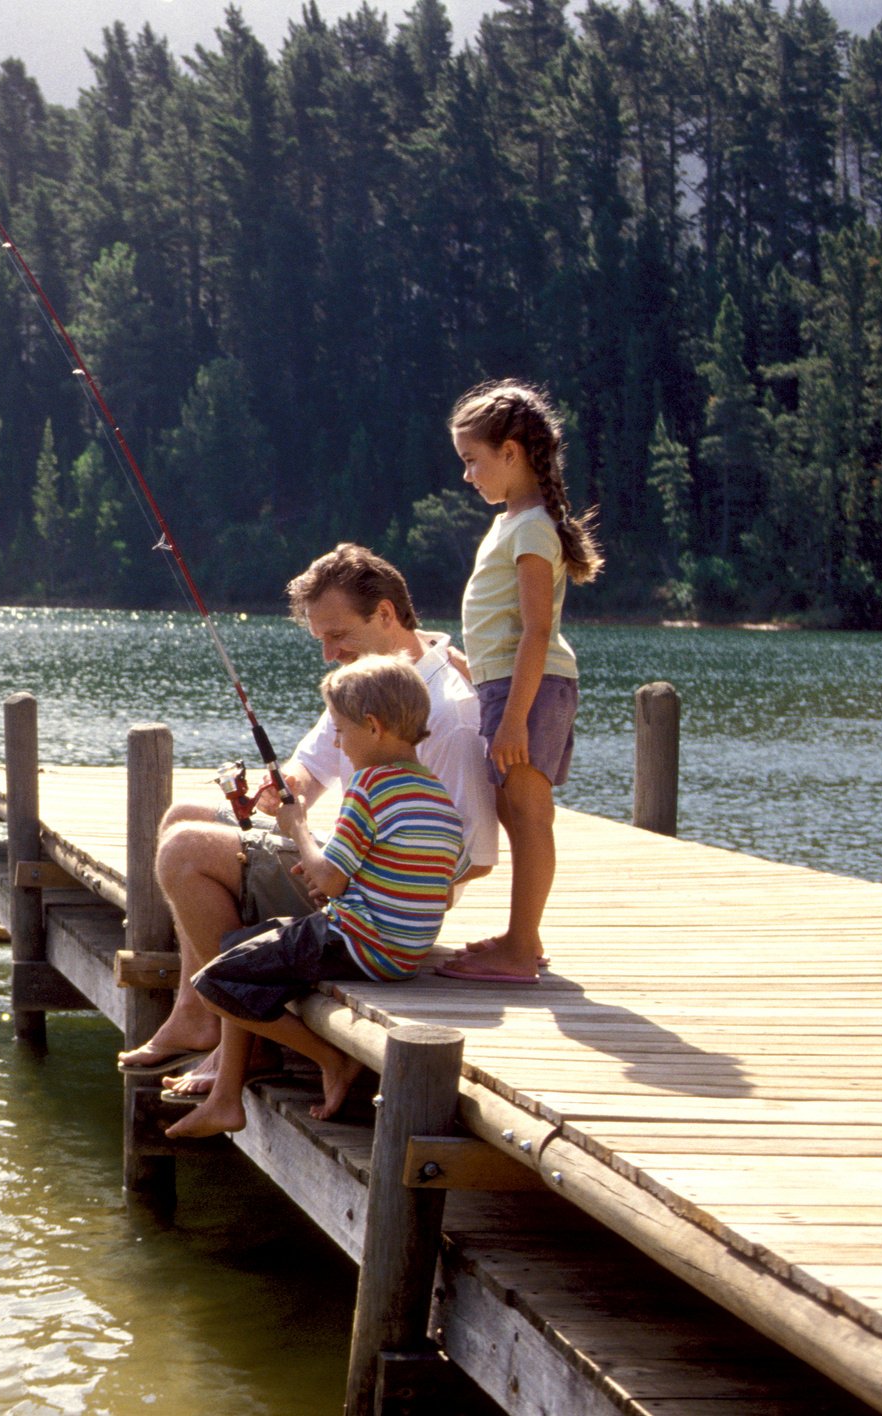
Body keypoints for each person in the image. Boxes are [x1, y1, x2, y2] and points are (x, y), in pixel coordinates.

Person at [115, 544, 496, 1086]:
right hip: (349, 859)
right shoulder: (370, 683)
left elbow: (471, 857)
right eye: (321, 639)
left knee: (186, 851)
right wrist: (282, 790)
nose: (328, 653)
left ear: (385, 614)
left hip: (373, 899)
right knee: (185, 812)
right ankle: (196, 1016)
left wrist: (344, 876)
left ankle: (238, 1042)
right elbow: (309, 770)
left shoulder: (449, 714)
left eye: (337, 635)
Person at [165, 657, 468, 1139]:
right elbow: (438, 879)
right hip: (403, 954)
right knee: (243, 944)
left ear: (374, 727)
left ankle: (329, 1059)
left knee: (214, 981)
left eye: (342, 734)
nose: (339, 745)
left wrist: (297, 825)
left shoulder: (370, 786)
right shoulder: (435, 793)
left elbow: (329, 882)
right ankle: (232, 1090)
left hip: (356, 942)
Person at [434, 380, 603, 984]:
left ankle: (521, 948)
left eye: (473, 460)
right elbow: (505, 635)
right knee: (514, 808)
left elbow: (535, 632)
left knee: (528, 813)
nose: (467, 475)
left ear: (511, 452)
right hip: (509, 686)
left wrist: (510, 718)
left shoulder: (531, 527)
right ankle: (521, 938)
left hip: (528, 690)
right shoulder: (513, 522)